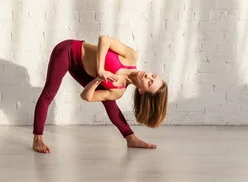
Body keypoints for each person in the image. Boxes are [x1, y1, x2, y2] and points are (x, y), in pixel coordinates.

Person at [32, 35, 168, 153]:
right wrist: (100, 70)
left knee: (110, 102)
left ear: (141, 91)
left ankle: (130, 139)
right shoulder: (131, 57)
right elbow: (104, 39)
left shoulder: (118, 90)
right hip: (68, 51)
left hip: (82, 69)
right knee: (49, 94)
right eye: (153, 76)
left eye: (149, 82)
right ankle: (37, 138)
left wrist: (98, 80)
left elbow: (86, 96)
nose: (148, 76)